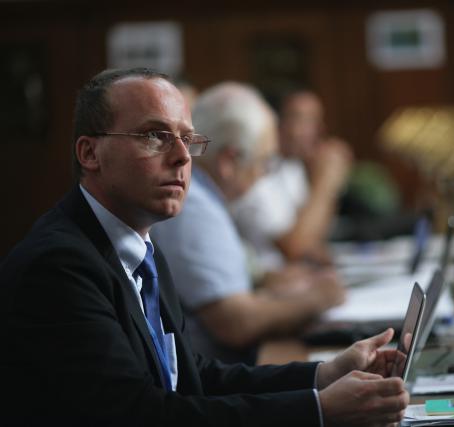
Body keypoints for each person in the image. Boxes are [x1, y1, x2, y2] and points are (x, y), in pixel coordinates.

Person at [0, 68, 409, 426]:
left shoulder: (140, 244)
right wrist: (318, 411)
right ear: (90, 153)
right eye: (155, 136)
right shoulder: (59, 266)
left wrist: (323, 375)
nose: (181, 157)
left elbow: (190, 377)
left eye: (187, 138)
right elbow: (137, 416)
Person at [152, 82, 345, 364]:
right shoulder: (194, 205)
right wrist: (320, 298)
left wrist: (272, 284)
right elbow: (235, 323)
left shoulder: (206, 198)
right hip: (213, 383)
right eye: (263, 162)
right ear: (229, 161)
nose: (263, 175)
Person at [231, 89, 352, 270]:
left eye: (316, 120)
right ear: (274, 122)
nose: (318, 130)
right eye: (304, 120)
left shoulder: (292, 168)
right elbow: (296, 248)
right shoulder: (255, 173)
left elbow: (313, 237)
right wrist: (325, 182)